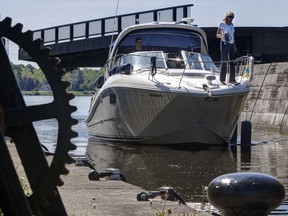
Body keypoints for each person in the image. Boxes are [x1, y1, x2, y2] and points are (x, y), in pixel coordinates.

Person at [216, 11, 238, 85]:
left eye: (232, 17)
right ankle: (222, 80)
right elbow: (217, 34)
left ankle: (232, 79)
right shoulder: (222, 24)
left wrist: (234, 45)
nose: (231, 19)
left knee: (232, 61)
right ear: (227, 16)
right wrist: (222, 36)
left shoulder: (232, 25)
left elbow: (233, 35)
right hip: (224, 43)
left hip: (231, 44)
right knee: (224, 61)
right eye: (230, 17)